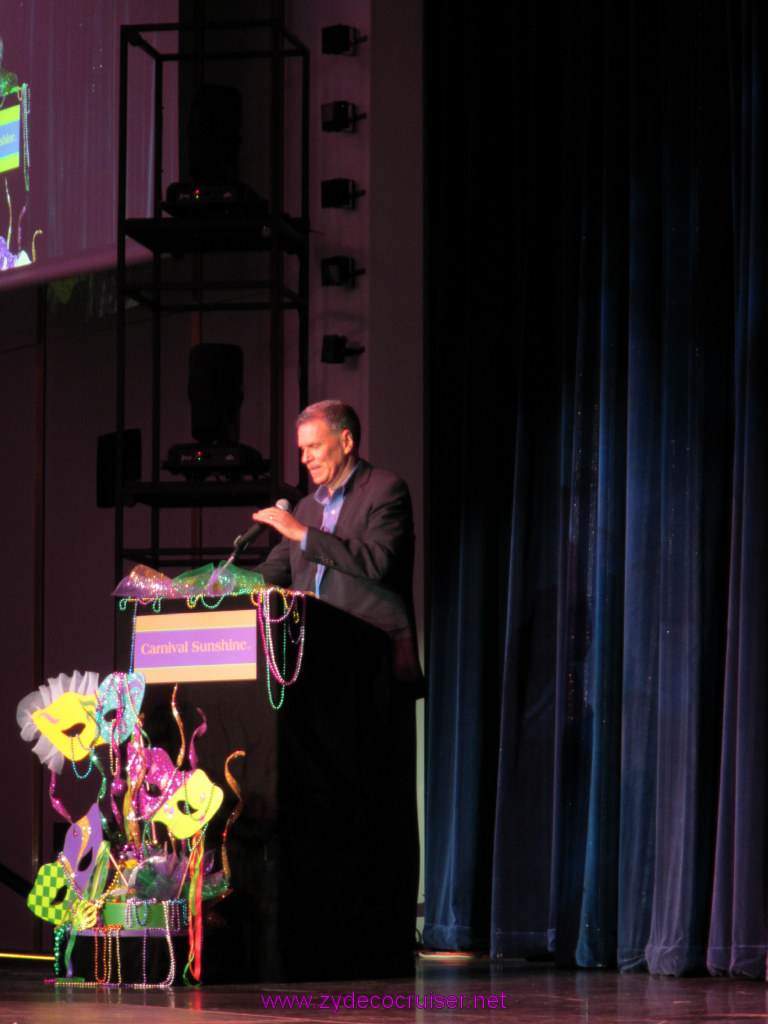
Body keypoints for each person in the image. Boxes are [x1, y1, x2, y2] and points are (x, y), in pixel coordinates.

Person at [252, 399, 423, 690]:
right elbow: (274, 571)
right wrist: (219, 585)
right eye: (302, 449)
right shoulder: (306, 507)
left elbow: (378, 561)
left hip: (369, 657)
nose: (305, 458)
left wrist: (305, 534)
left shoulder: (385, 489)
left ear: (346, 441)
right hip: (308, 655)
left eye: (314, 446)